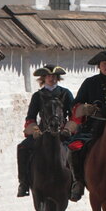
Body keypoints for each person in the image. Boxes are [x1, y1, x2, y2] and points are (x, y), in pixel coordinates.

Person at [66, 49, 106, 202]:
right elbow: (75, 104)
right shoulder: (90, 83)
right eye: (104, 64)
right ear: (99, 66)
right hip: (92, 128)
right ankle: (78, 182)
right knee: (73, 148)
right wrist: (85, 108)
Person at [17, 65, 74, 198]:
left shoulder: (65, 93)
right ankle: (24, 182)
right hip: (42, 133)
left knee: (76, 148)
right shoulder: (38, 96)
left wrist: (68, 129)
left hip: (62, 132)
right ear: (44, 78)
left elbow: (73, 115)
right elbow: (30, 117)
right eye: (48, 76)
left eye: (54, 76)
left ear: (57, 78)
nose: (51, 79)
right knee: (22, 147)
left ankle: (76, 183)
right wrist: (35, 130)